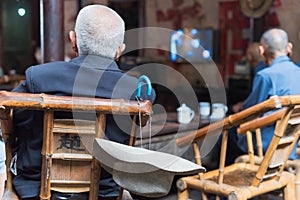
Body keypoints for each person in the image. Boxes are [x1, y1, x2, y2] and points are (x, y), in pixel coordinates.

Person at [10, 5, 155, 200]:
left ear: (73, 40)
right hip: (105, 193)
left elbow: (12, 120)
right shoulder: (138, 91)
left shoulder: (39, 78)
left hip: (35, 191)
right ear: (119, 51)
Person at [226, 28, 300, 165]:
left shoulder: (265, 76)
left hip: (268, 144)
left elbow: (250, 111)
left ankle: (228, 176)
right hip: (292, 142)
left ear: (261, 51)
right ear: (289, 47)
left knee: (228, 133)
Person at [231, 42, 266, 113]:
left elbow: (255, 99)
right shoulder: (264, 68)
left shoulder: (259, 73)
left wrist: (242, 106)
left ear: (249, 56)